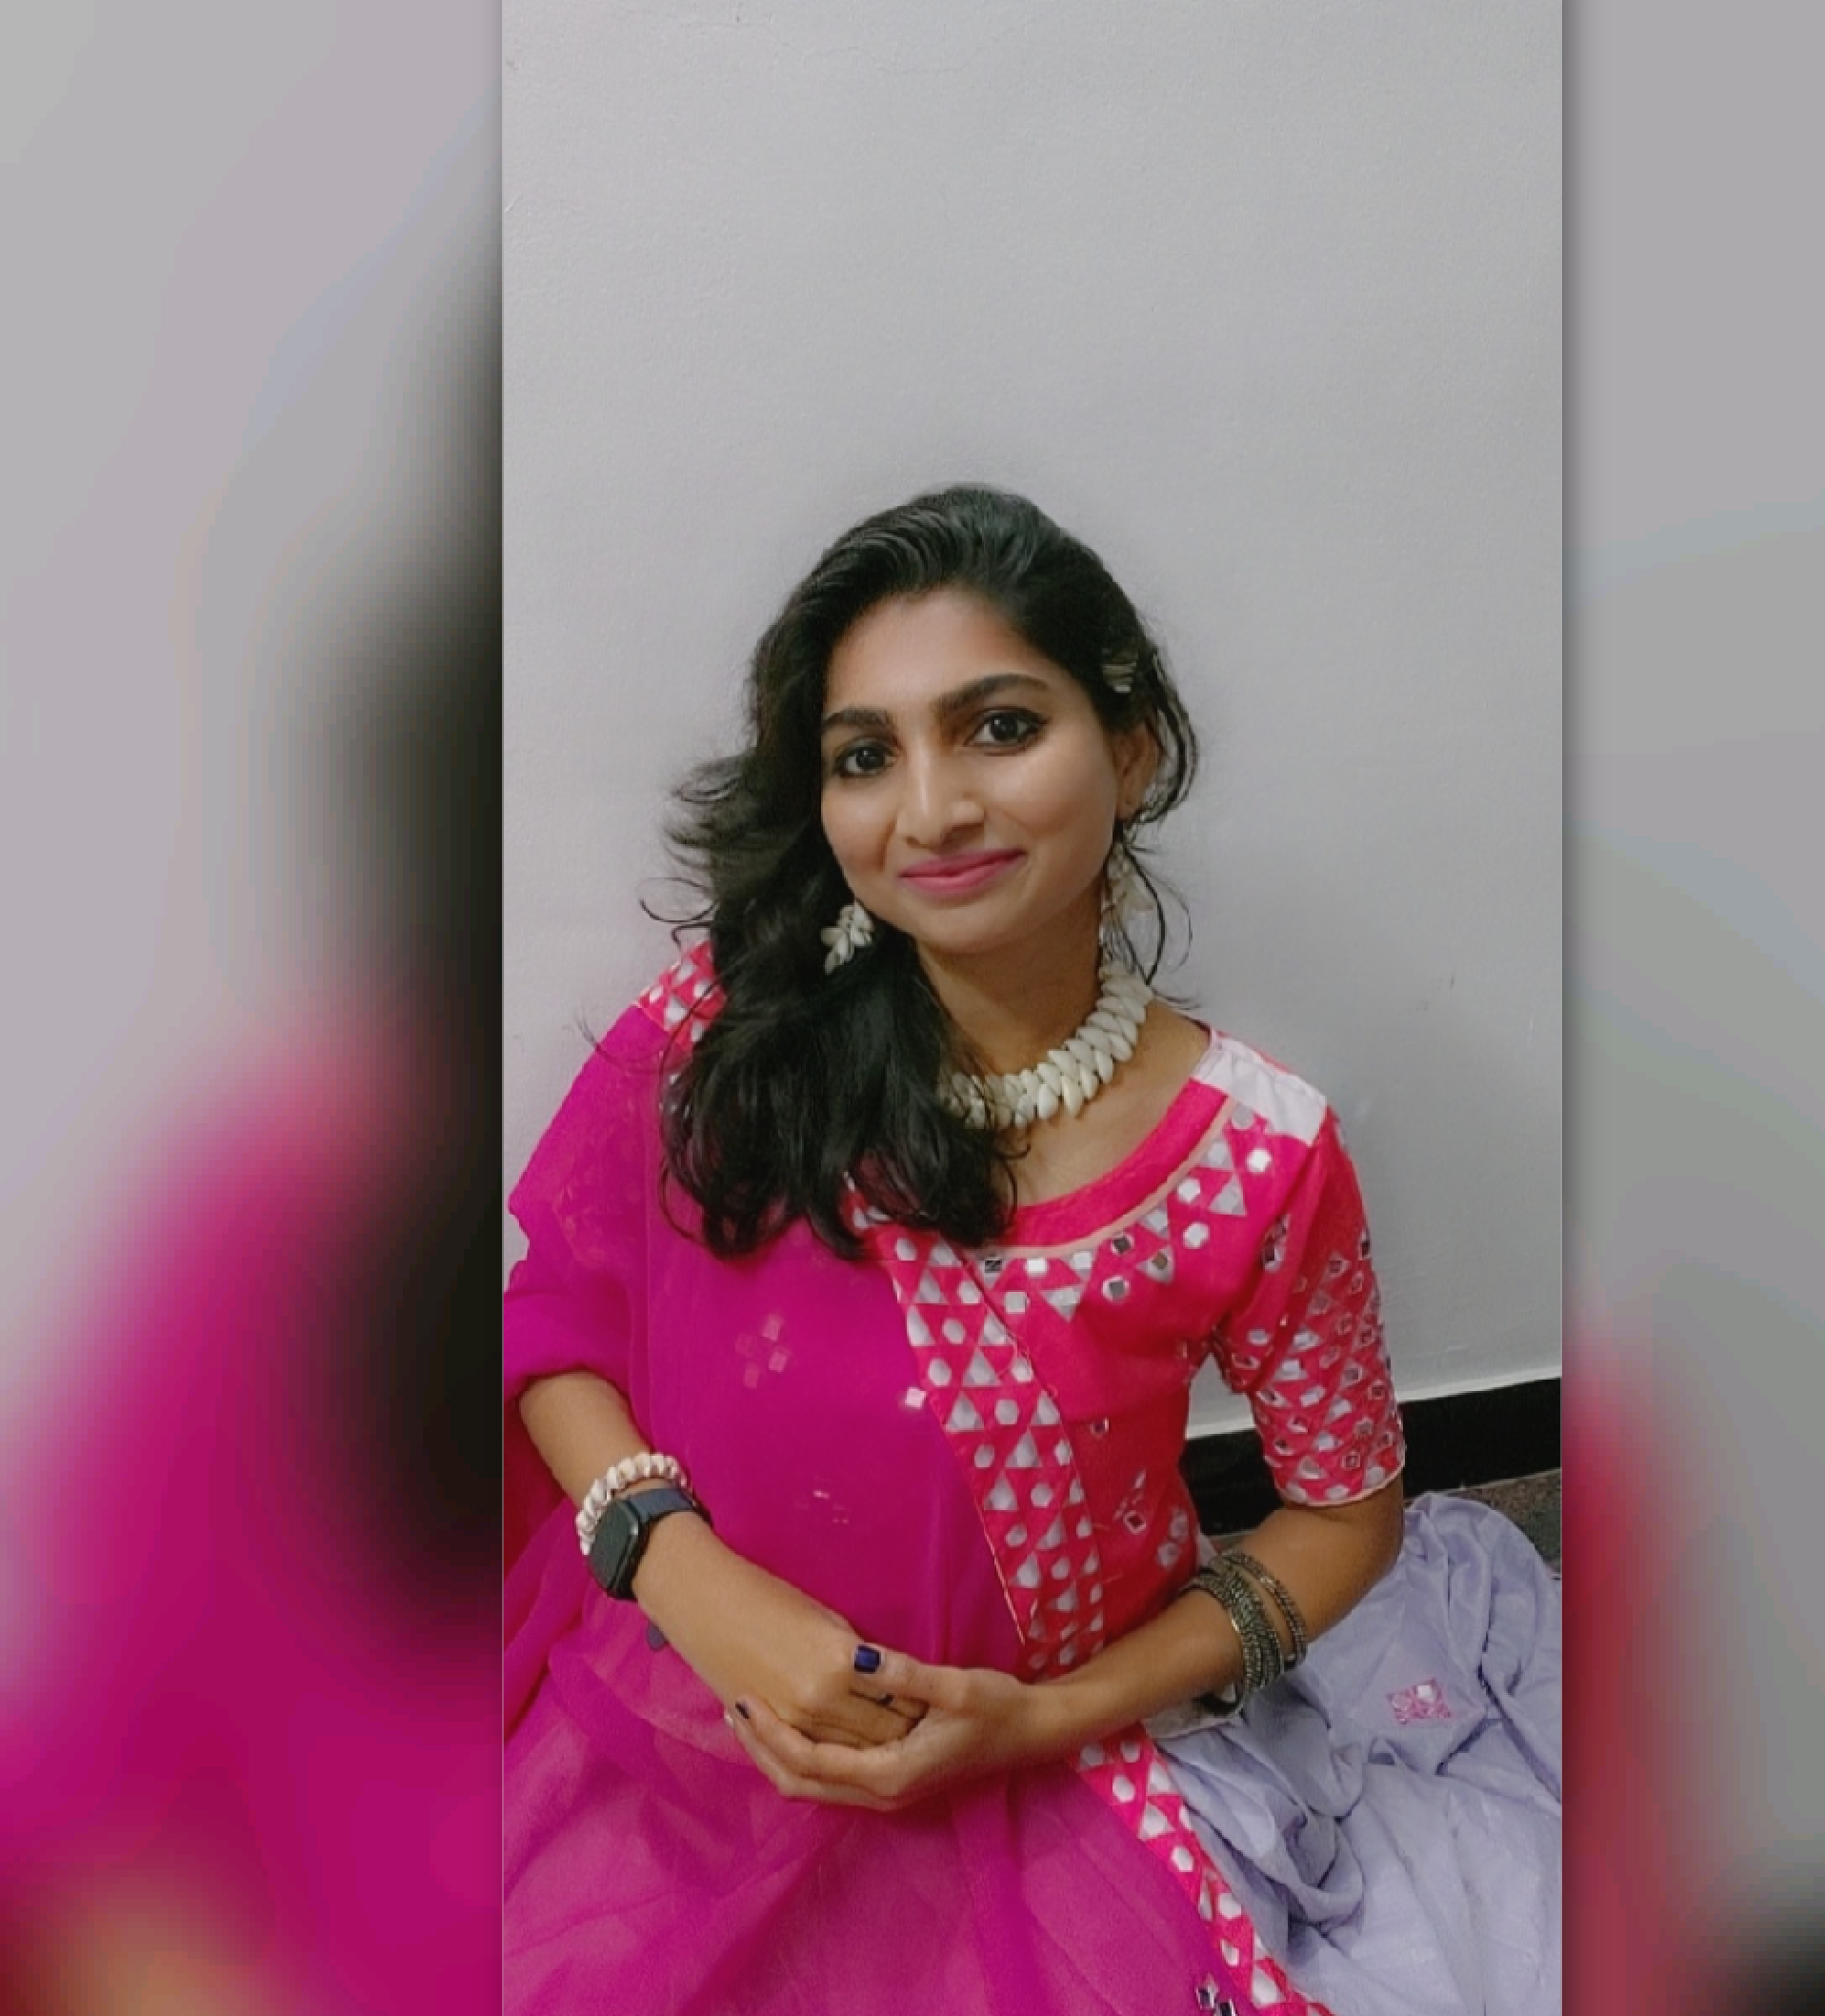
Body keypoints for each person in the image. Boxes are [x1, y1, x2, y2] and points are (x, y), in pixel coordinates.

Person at [504, 486, 1561, 2015]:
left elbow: (1346, 1517)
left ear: (1131, 749)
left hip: (1038, 1755)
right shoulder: (726, 1035)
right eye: (865, 755)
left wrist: (1044, 1719)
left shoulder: (1251, 1159)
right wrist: (686, 1582)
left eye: (998, 728)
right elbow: (553, 1322)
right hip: (672, 1705)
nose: (930, 810)